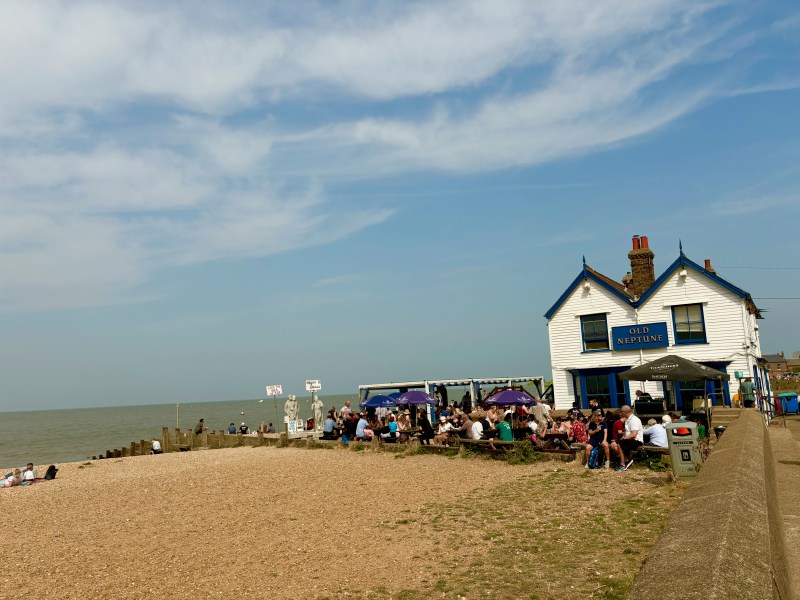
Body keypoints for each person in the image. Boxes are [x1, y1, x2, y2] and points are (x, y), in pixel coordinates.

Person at [612, 405, 643, 470]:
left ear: (626, 412)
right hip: (629, 439)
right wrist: (623, 438)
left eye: (621, 411)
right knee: (613, 445)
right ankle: (627, 460)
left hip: (636, 440)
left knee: (620, 444)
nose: (620, 413)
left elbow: (634, 434)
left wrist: (624, 439)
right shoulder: (627, 420)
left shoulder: (634, 420)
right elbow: (626, 432)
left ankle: (623, 464)